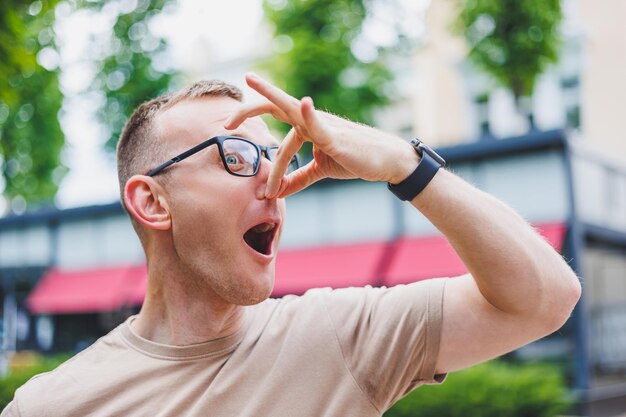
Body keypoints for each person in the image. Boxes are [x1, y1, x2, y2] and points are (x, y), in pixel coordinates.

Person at [2, 74, 581, 417]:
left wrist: (405, 164)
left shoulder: (338, 334)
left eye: (275, 156)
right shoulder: (50, 406)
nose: (273, 179)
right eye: (236, 156)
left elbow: (544, 299)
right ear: (153, 202)